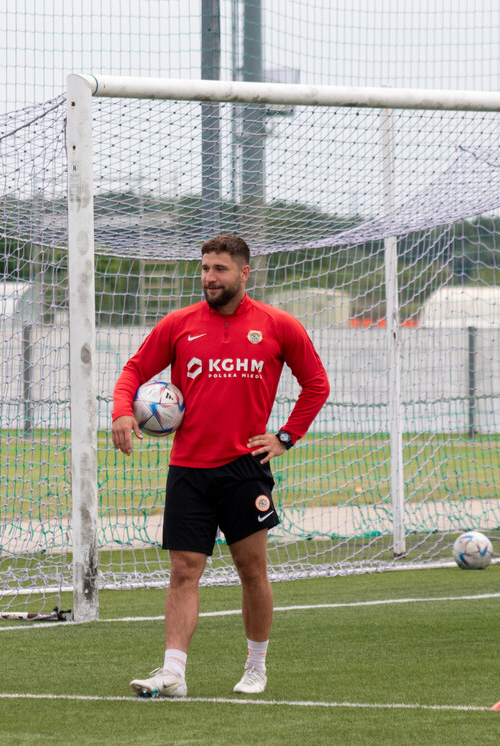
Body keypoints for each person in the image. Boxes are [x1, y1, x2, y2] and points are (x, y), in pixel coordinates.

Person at [112, 233, 330, 697]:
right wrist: (121, 411)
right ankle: (173, 674)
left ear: (244, 273)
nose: (209, 277)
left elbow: (316, 383)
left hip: (244, 467)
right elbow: (134, 370)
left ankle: (255, 667)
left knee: (251, 569)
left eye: (220, 270)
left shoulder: (277, 325)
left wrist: (286, 437)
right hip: (189, 468)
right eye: (205, 268)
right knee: (184, 568)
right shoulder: (178, 324)